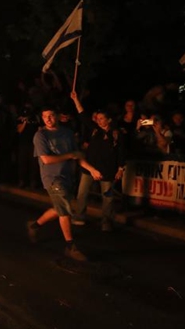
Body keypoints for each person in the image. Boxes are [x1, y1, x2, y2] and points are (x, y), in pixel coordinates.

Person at [27, 106, 103, 262]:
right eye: (45, 116)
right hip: (52, 177)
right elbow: (46, 160)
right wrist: (70, 155)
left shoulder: (67, 133)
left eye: (51, 115)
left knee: (59, 208)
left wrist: (92, 169)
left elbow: (78, 156)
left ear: (57, 116)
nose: (48, 119)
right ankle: (70, 246)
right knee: (65, 212)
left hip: (67, 176)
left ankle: (34, 225)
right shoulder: (40, 135)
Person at [69, 91, 126, 231]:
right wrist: (76, 100)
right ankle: (80, 216)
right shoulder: (95, 130)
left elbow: (121, 152)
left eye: (102, 118)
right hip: (89, 168)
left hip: (107, 169)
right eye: (98, 118)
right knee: (82, 193)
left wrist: (120, 168)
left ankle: (106, 221)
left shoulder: (116, 134)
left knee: (107, 197)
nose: (99, 121)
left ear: (109, 120)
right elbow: (83, 116)